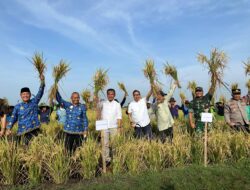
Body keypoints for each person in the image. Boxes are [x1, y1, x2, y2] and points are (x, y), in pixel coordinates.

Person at [6, 75, 45, 144]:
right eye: (23, 94)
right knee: (23, 149)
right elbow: (13, 118)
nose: (25, 95)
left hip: (34, 130)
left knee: (35, 149)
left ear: (30, 95)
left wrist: (42, 81)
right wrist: (9, 128)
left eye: (27, 94)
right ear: (20, 95)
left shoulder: (34, 102)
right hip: (22, 132)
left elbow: (40, 92)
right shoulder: (17, 106)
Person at [99, 89, 122, 164]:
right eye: (109, 94)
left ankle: (115, 159)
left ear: (114, 95)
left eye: (112, 94)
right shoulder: (103, 103)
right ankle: (107, 159)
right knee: (105, 144)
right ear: (107, 95)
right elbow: (96, 105)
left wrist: (119, 128)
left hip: (114, 126)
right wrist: (96, 92)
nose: (110, 95)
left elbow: (119, 117)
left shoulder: (117, 104)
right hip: (104, 126)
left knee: (115, 143)